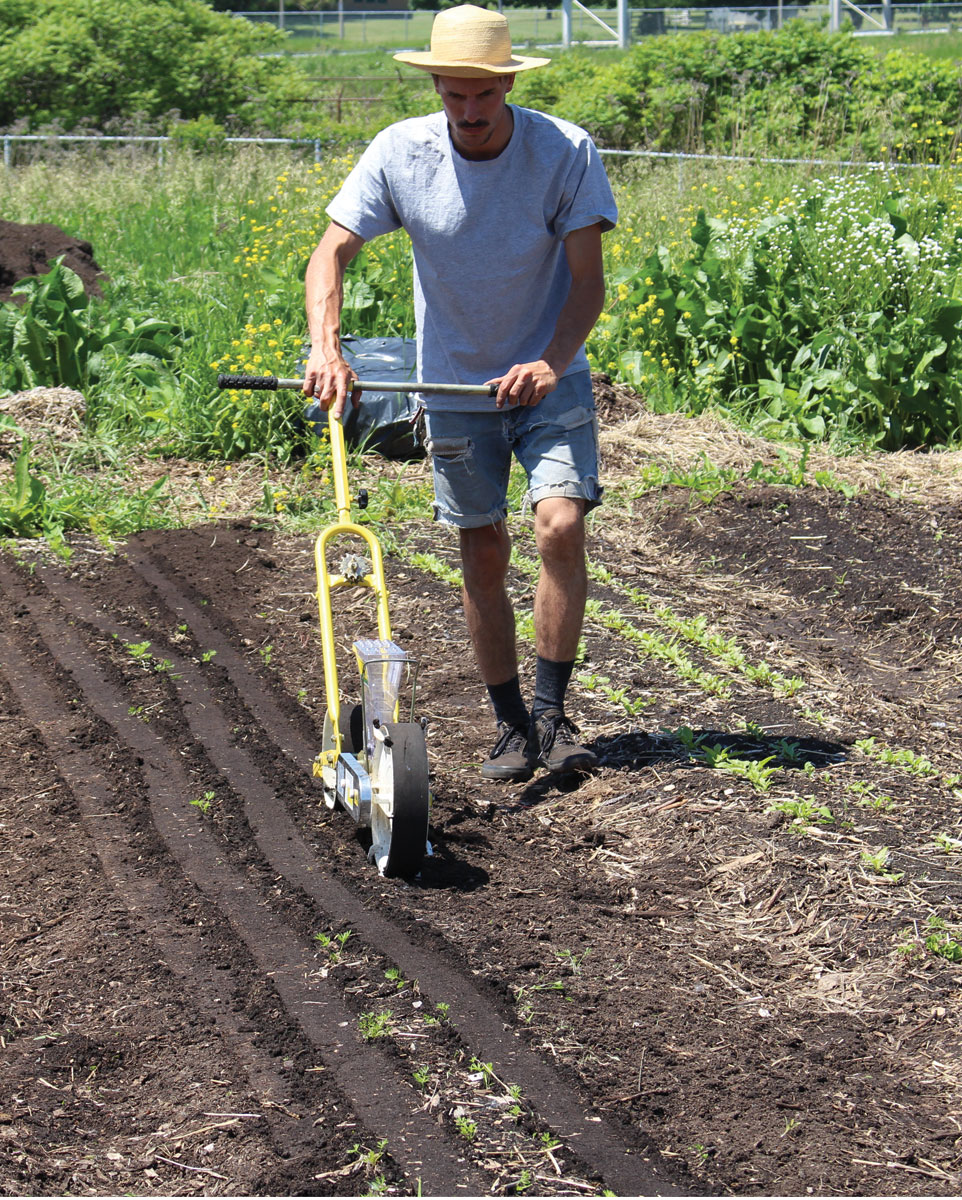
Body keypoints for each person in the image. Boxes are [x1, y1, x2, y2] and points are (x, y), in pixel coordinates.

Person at [301, 3, 618, 783]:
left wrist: (550, 360)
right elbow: (330, 254)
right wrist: (326, 348)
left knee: (558, 526)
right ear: (436, 86)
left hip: (547, 378)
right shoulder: (398, 153)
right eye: (454, 95)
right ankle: (510, 725)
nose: (470, 112)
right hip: (453, 383)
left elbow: (588, 285)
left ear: (507, 84)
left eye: (484, 94)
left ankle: (552, 715)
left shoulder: (564, 151)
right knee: (482, 550)